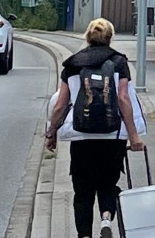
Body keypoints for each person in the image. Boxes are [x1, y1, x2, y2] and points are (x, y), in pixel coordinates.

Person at [45, 18, 145, 238]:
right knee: (108, 183)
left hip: (81, 136)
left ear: (87, 37)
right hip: (112, 135)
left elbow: (61, 104)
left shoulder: (72, 64)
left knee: (83, 191)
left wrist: (51, 133)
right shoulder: (119, 62)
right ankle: (106, 218)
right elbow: (123, 99)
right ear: (110, 37)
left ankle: (84, 235)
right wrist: (134, 136)